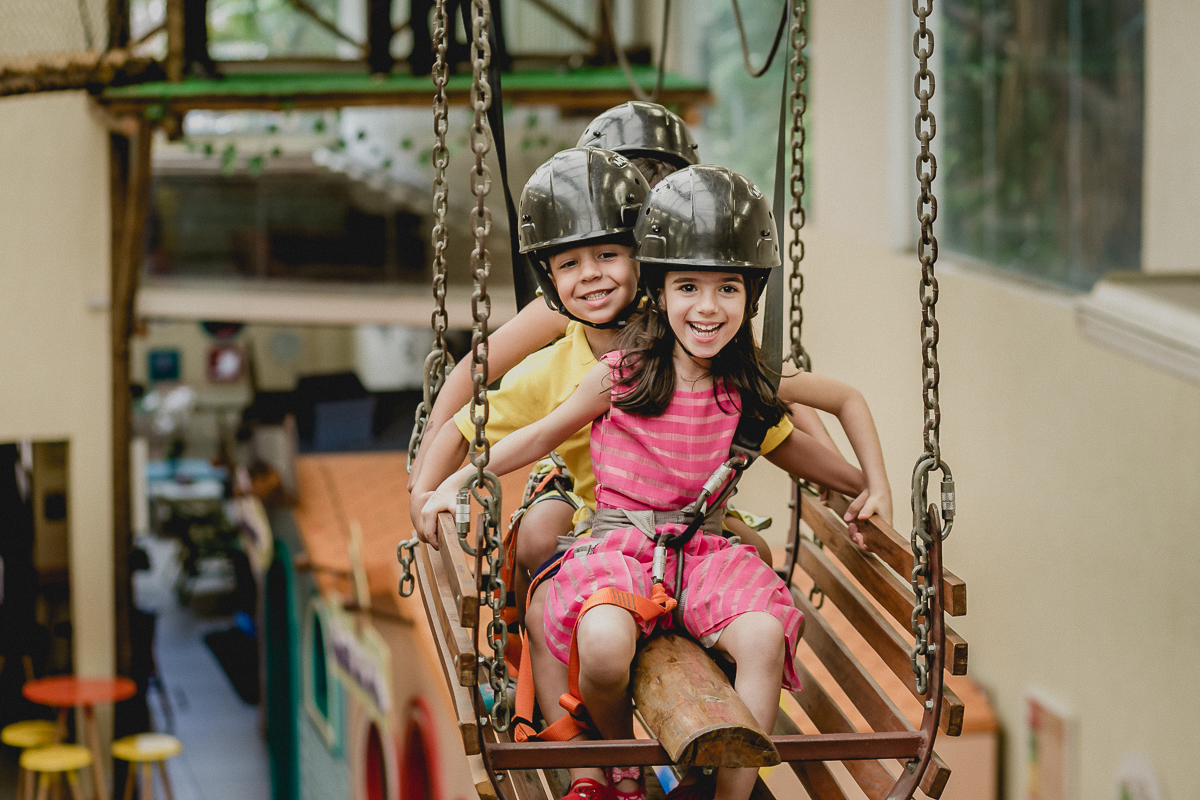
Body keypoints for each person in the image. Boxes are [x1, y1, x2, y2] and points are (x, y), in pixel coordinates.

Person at [419, 166, 891, 800]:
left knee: (762, 634)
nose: (707, 307)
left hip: (700, 551)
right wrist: (456, 480)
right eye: (688, 288)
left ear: (750, 297)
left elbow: (843, 402)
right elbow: (536, 434)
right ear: (660, 293)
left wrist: (874, 488)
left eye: (728, 290)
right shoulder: (620, 372)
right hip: (622, 547)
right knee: (601, 644)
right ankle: (623, 766)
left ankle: (727, 794)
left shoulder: (746, 380)